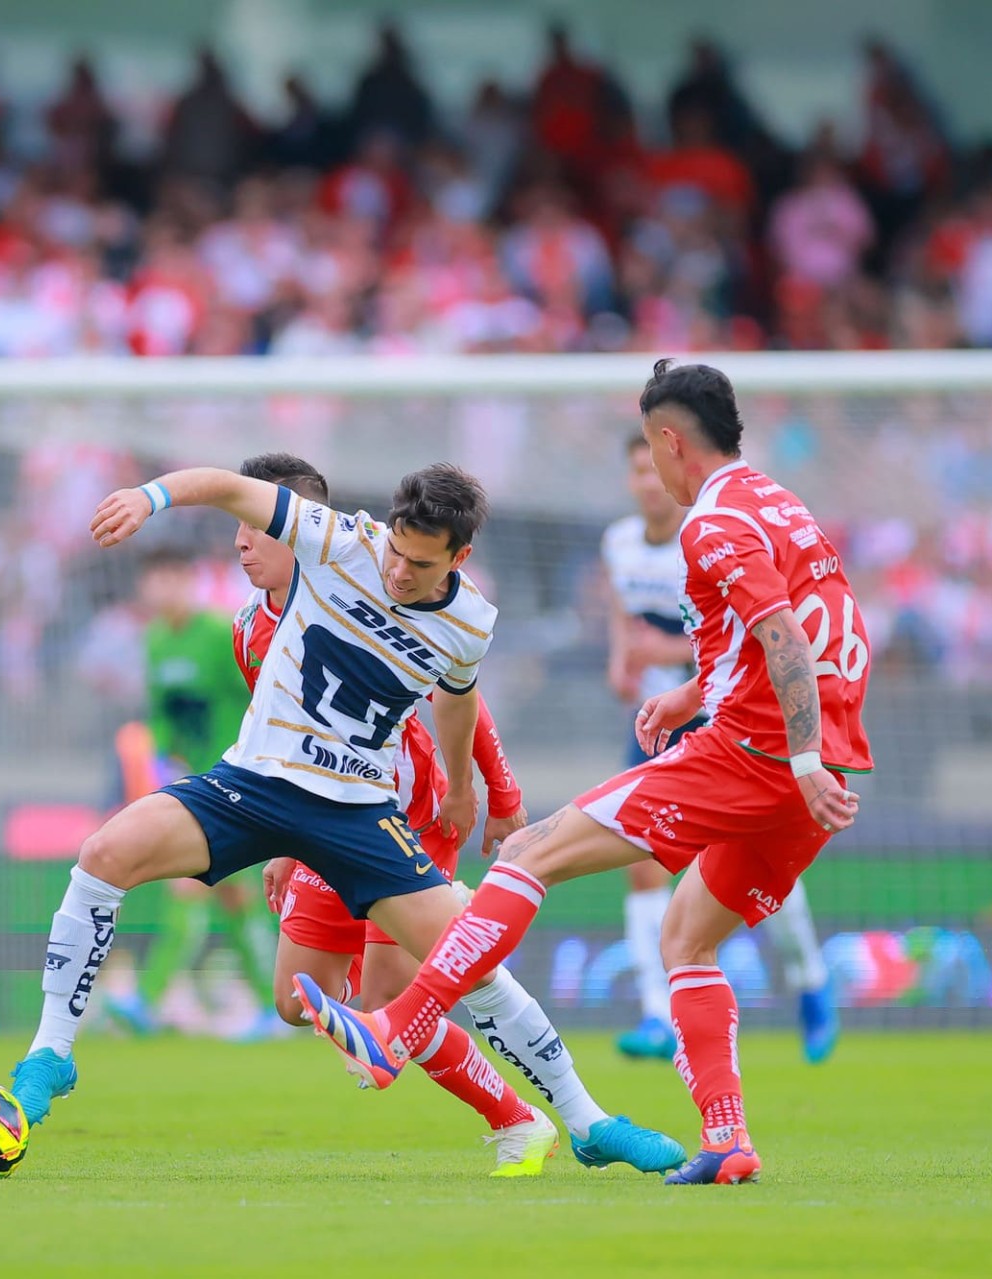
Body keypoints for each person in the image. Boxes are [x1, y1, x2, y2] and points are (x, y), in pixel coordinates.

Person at [7, 461, 681, 1178]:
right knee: (105, 855)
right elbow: (228, 485)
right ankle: (52, 1052)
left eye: (420, 565)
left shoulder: (470, 622)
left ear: (459, 558)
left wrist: (469, 786)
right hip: (254, 784)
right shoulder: (339, 542)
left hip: (359, 810)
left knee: (470, 960)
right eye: (396, 551)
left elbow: (458, 701)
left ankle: (588, 1122)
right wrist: (151, 498)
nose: (398, 572)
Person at [297, 361, 873, 1186]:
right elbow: (808, 629)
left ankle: (400, 1026)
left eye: (648, 445)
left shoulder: (712, 523)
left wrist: (799, 753)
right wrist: (695, 695)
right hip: (820, 760)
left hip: (759, 752)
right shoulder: (780, 504)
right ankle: (727, 1138)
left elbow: (782, 634)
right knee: (686, 938)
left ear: (669, 441)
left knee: (527, 851)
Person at [233, 452, 682, 1175]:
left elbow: (459, 694)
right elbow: (278, 737)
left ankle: (582, 1119)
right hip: (319, 817)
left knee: (443, 980)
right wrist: (283, 841)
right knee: (298, 999)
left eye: (256, 525)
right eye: (238, 525)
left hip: (404, 813)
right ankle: (521, 1117)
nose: (241, 540)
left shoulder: (374, 582)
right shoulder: (248, 630)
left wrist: (493, 792)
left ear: (299, 527)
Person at [603, 432, 839, 1064]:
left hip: (725, 718)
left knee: (752, 867)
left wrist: (668, 654)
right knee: (641, 864)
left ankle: (810, 979)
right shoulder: (619, 543)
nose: (648, 482)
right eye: (637, 471)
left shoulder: (708, 536)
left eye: (653, 468)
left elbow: (737, 634)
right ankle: (656, 1014)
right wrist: (622, 660)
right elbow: (624, 616)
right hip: (656, 724)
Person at [105, 549, 279, 1040]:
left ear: (189, 581)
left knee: (195, 887)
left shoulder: (220, 635)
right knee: (232, 896)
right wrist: (160, 756)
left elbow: (259, 694)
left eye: (172, 578)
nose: (162, 589)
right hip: (193, 784)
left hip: (236, 778)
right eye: (154, 579)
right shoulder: (157, 641)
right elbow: (162, 714)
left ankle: (149, 1000)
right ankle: (272, 1006)